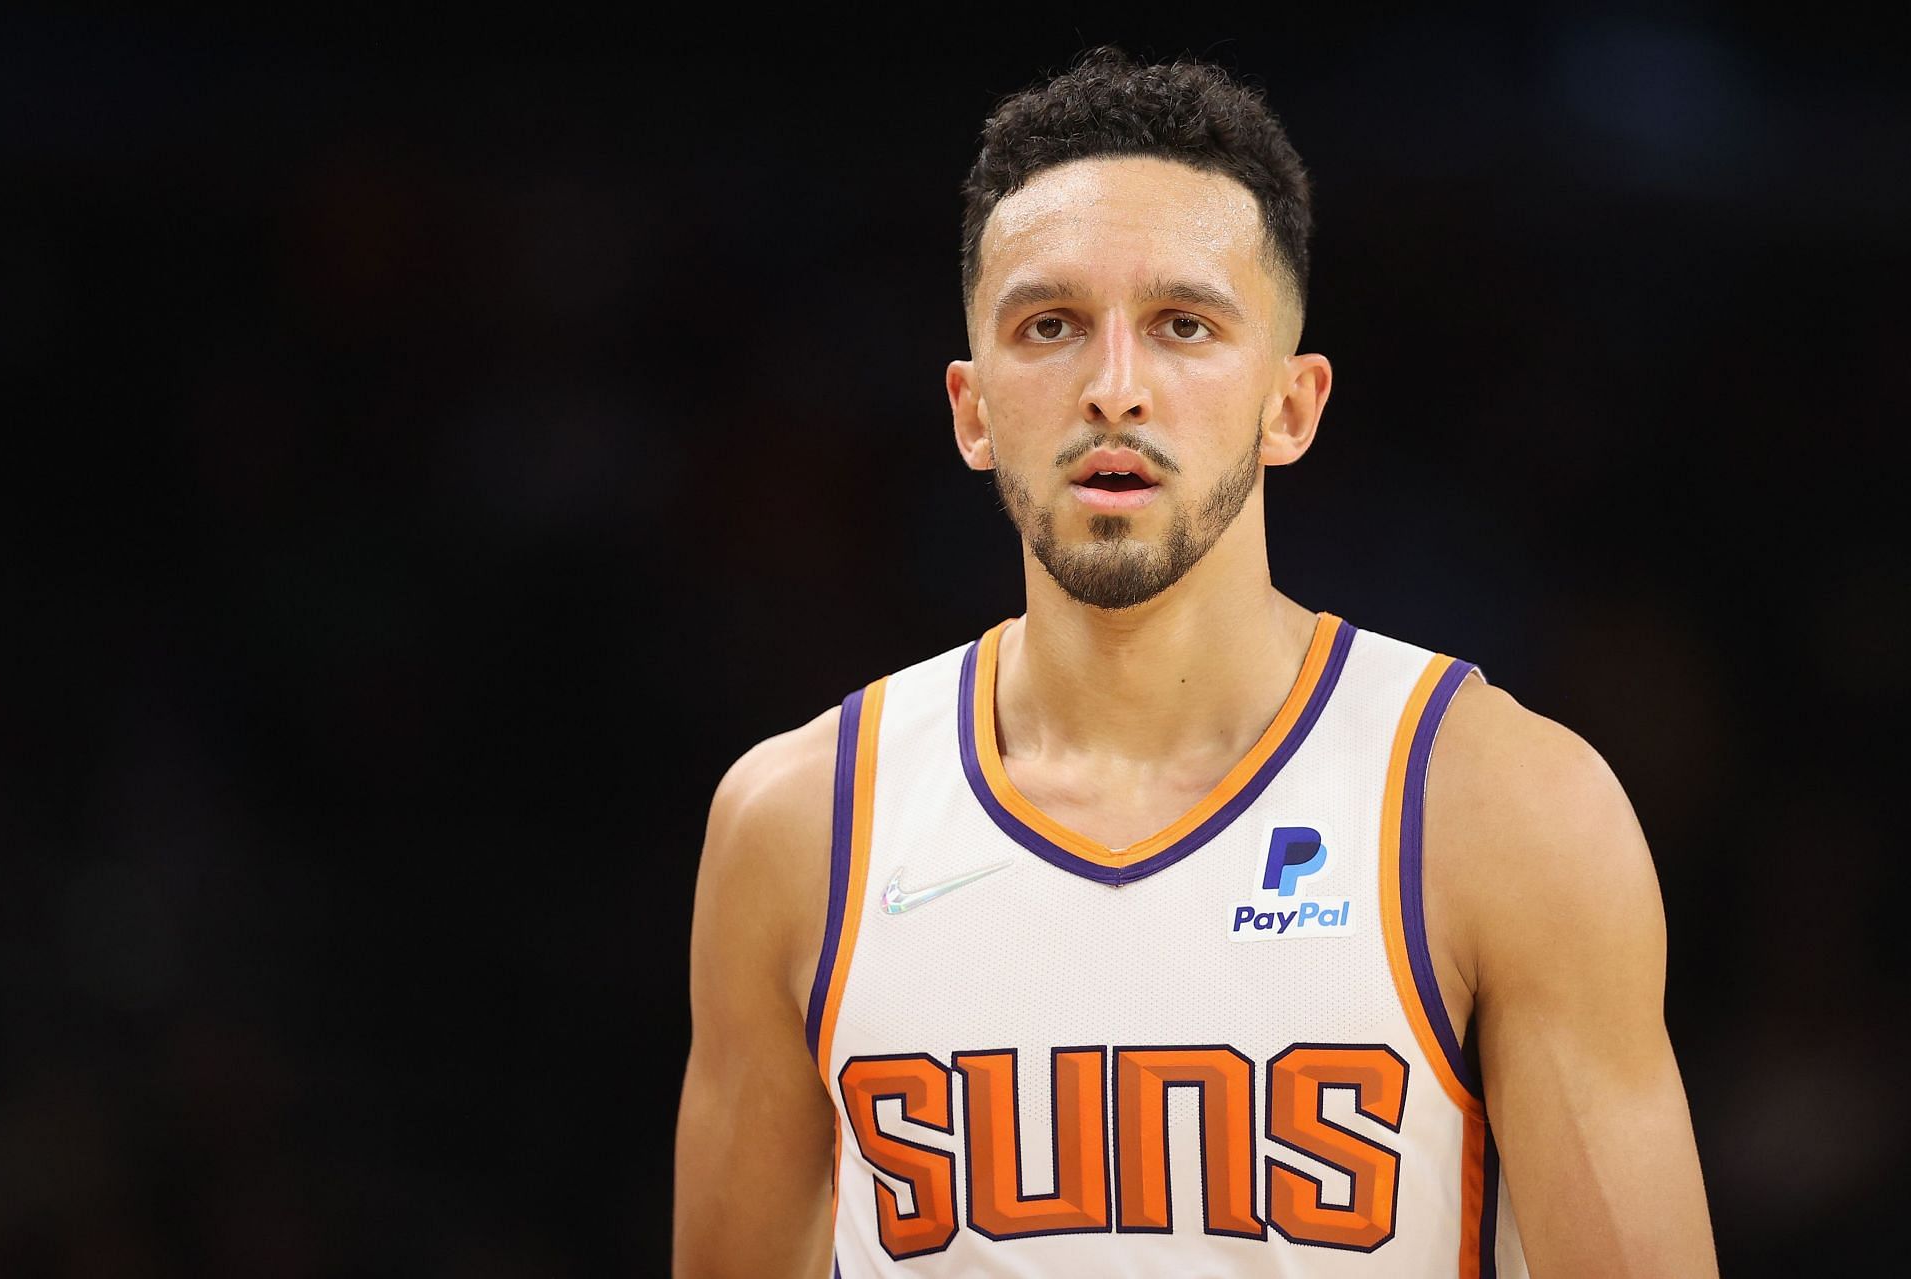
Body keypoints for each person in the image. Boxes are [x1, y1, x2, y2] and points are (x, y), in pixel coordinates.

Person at [673, 46, 1716, 1278]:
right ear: (970, 408)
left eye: (1184, 325)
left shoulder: (1503, 808)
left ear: (1292, 405)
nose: (1116, 388)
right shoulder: (800, 824)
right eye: (1051, 325)